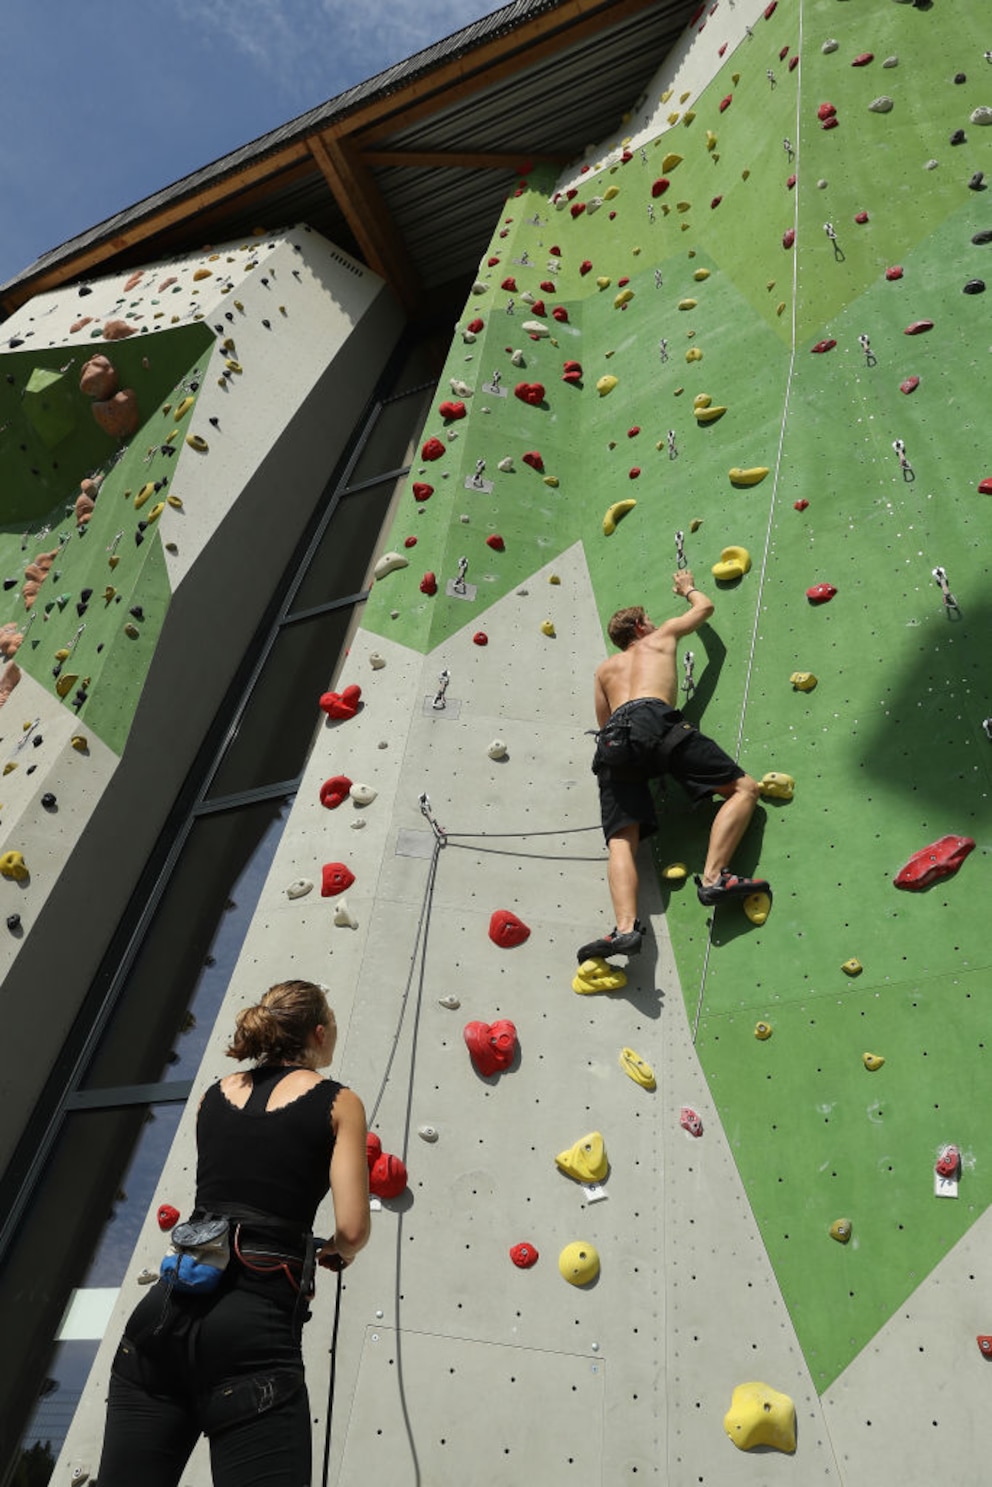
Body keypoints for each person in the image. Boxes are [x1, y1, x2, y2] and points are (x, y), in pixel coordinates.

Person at [96, 979, 370, 1487]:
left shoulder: (213, 1096)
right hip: (253, 1326)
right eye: (332, 1021)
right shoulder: (340, 1102)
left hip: (166, 1311)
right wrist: (336, 1251)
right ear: (318, 1032)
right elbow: (352, 1228)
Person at [578, 571, 770, 962]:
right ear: (640, 626)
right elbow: (705, 608)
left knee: (621, 840)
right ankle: (715, 878)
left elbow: (603, 722)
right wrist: (687, 589)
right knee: (744, 789)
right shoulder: (661, 637)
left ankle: (626, 930)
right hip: (655, 721)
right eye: (646, 619)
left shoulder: (604, 669)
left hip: (614, 741)